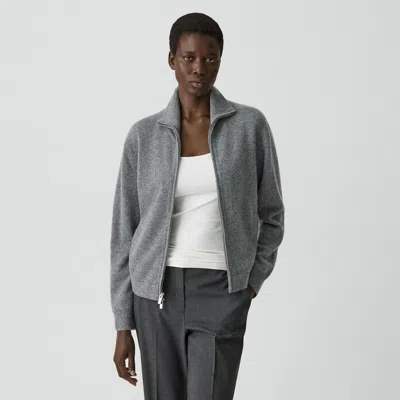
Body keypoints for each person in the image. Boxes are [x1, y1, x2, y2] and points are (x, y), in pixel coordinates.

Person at [110, 12, 285, 400]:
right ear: (172, 59)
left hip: (222, 289)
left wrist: (250, 282)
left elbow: (272, 213)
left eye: (210, 58)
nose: (199, 69)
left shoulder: (249, 126)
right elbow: (124, 231)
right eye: (189, 57)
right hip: (155, 294)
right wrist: (123, 323)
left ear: (220, 61)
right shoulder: (143, 136)